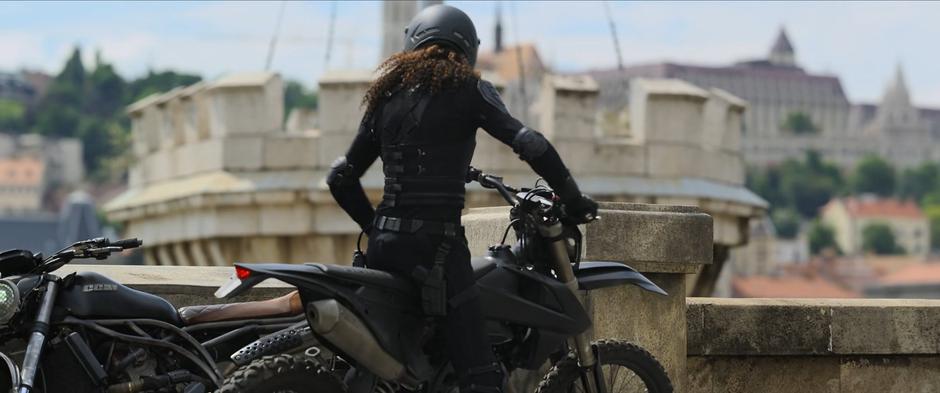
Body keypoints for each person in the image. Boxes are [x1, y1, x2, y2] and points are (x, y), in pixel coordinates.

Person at [327, 5, 598, 393]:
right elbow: (528, 142)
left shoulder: (385, 95)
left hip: (383, 248)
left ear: (412, 43)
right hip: (437, 251)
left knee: (402, 357)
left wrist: (374, 226)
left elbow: (340, 177)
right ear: (468, 48)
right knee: (481, 375)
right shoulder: (468, 89)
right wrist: (573, 198)